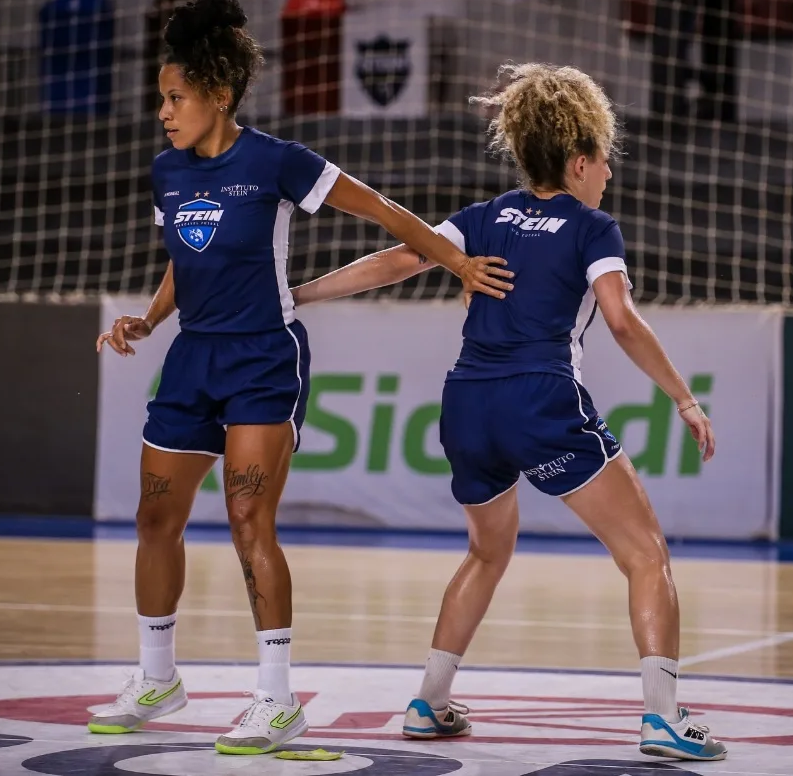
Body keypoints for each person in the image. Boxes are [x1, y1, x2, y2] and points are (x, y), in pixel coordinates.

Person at [90, 0, 513, 756]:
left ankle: (276, 698)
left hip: (262, 355)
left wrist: (455, 261)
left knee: (250, 521)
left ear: (219, 94)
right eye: (161, 99)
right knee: (156, 518)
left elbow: (384, 210)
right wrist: (148, 322)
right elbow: (183, 262)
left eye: (176, 97)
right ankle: (157, 676)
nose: (164, 111)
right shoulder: (167, 171)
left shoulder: (278, 162)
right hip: (192, 358)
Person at [291, 63, 727, 762]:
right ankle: (664, 718)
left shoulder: (485, 216)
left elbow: (396, 262)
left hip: (465, 405)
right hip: (539, 399)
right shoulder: (592, 226)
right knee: (647, 556)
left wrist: (300, 296)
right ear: (580, 160)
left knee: (486, 550)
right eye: (605, 161)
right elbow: (621, 320)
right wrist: (683, 396)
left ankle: (430, 701)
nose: (609, 173)